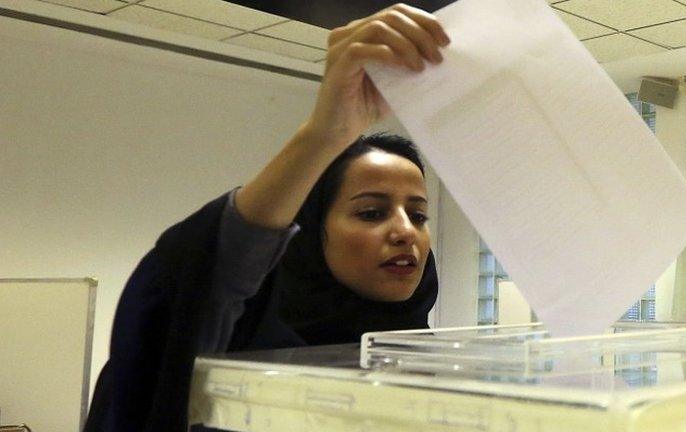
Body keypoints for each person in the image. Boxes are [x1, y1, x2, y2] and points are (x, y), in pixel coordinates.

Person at [84, 4, 450, 432]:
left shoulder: (437, 372)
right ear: (310, 234)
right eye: (371, 212)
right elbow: (186, 287)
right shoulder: (230, 363)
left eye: (418, 214)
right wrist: (323, 134)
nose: (406, 231)